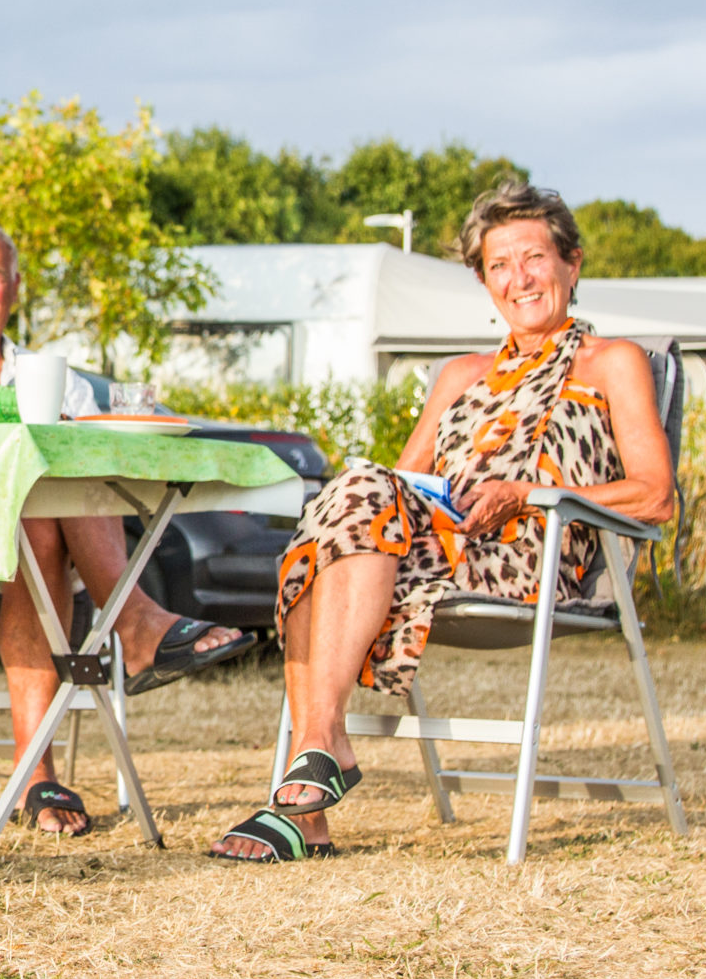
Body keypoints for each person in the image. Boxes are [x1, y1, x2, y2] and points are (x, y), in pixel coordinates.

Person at [209, 182, 677, 863]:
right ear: (484, 281)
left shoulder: (611, 362)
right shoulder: (461, 374)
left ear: (571, 264)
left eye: (534, 257)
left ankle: (312, 771)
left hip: (532, 557)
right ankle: (312, 771)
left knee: (334, 530)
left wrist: (529, 490)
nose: (519, 278)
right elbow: (395, 485)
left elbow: (655, 495)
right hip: (432, 548)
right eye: (499, 264)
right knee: (353, 503)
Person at [0, 220, 255, 836]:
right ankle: (137, 624)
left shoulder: (55, 376)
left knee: (46, 510)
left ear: (14, 287)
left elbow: (99, 467)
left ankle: (35, 773)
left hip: (28, 551)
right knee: (43, 503)